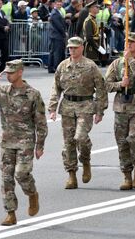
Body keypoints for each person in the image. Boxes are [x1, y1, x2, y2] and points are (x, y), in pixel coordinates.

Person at [0, 60, 48, 226]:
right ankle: (10, 213)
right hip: (7, 141)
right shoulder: (3, 91)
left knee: (21, 174)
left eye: (12, 72)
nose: (8, 75)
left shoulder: (32, 94)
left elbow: (41, 122)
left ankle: (32, 194)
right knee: (6, 178)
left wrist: (40, 146)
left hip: (25, 141)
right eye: (7, 72)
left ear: (20, 72)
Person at [48, 37, 108, 189]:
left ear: (82, 47)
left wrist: (100, 110)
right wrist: (52, 108)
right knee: (68, 143)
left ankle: (86, 160)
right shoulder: (63, 66)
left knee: (80, 137)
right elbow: (56, 88)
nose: (72, 50)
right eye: (70, 48)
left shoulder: (90, 66)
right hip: (67, 107)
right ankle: (71, 175)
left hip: (85, 106)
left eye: (75, 47)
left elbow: (101, 88)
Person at [105, 32, 135, 190]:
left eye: (132, 42)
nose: (129, 44)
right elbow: (106, 84)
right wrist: (120, 84)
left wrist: (130, 60)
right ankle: (126, 174)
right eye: (127, 42)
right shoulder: (117, 64)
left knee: (134, 138)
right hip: (121, 106)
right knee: (122, 142)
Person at [48, 0, 66, 73]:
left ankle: (52, 67)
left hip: (55, 35)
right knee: (56, 52)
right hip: (56, 35)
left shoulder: (57, 12)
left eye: (60, 3)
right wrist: (64, 33)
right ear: (55, 4)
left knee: (54, 52)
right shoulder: (55, 13)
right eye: (58, 4)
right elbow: (58, 25)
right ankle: (55, 67)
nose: (59, 5)